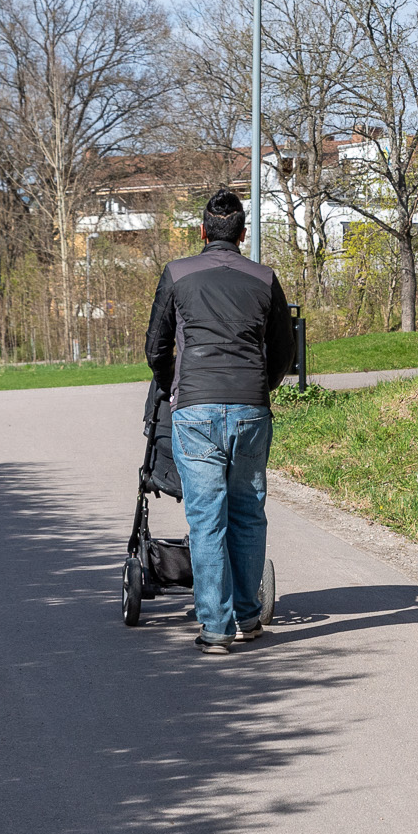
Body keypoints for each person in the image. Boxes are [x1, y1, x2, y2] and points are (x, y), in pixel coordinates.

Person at [145, 189, 295, 654]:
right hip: (251, 406)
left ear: (204, 231)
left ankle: (215, 627)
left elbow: (156, 348)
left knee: (207, 519)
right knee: (248, 512)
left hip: (196, 409)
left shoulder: (177, 273)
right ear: (243, 233)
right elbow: (286, 352)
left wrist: (175, 384)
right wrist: (261, 388)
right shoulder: (265, 278)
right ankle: (248, 618)